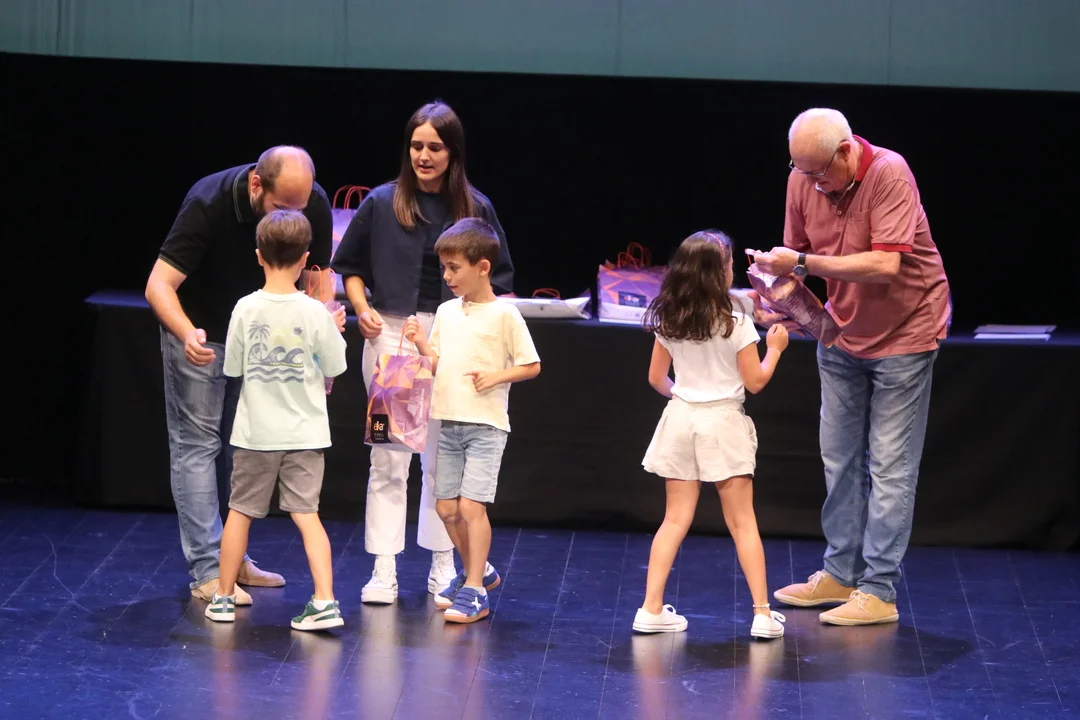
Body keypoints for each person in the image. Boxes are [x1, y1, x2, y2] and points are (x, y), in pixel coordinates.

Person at [750, 108, 950, 626]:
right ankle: (840, 573)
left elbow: (885, 265)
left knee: (889, 466)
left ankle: (878, 590)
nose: (811, 183)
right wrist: (778, 299)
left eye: (819, 173)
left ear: (845, 152)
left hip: (905, 334)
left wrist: (799, 264)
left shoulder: (888, 172)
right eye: (801, 172)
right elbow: (795, 258)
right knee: (838, 457)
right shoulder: (803, 178)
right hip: (841, 334)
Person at [331, 102, 515, 604]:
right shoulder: (381, 202)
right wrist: (363, 309)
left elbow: (499, 281)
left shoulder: (476, 208)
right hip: (393, 336)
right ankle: (383, 568)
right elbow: (349, 267)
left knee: (443, 460)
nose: (424, 156)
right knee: (389, 458)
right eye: (416, 146)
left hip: (454, 336)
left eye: (434, 147)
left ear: (453, 152)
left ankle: (443, 565)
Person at [145, 146, 345, 603]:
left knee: (243, 447)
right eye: (281, 207)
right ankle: (208, 569)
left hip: (263, 342)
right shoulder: (208, 201)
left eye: (300, 208)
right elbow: (159, 285)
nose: (291, 219)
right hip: (201, 331)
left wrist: (319, 325)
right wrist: (187, 334)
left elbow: (318, 274)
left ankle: (231, 564)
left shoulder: (309, 200)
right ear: (257, 185)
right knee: (198, 446)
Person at [631, 231, 789, 639]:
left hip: (681, 420)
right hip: (722, 423)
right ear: (722, 272)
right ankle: (762, 614)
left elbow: (656, 378)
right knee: (742, 521)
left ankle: (650, 608)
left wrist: (687, 396)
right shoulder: (736, 324)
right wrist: (775, 348)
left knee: (674, 519)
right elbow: (755, 381)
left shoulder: (671, 318)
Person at [205, 209, 347, 630]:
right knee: (307, 515)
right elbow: (335, 366)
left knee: (239, 512)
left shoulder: (245, 308)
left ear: (258, 256)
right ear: (305, 259)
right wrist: (332, 329)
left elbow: (232, 367)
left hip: (256, 435)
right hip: (306, 435)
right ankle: (325, 600)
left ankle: (224, 597)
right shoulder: (316, 312)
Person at [403, 218, 540, 623]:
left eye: (454, 268)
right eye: (444, 268)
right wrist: (420, 342)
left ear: (482, 267)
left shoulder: (505, 315)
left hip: (485, 425)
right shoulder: (446, 311)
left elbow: (531, 365)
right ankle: (477, 572)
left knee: (470, 506)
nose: (447, 276)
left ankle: (476, 588)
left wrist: (496, 376)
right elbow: (437, 362)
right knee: (446, 508)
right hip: (448, 421)